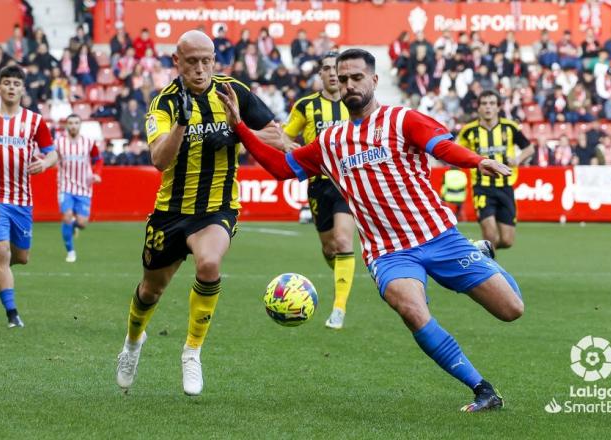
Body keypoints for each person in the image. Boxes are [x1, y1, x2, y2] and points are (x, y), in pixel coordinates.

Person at [217, 49, 524, 412]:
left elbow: (441, 146)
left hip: (439, 235)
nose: (349, 85)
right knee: (410, 309)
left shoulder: (401, 120)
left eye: (356, 78)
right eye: (343, 79)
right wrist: (239, 126)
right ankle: (482, 389)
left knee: (511, 309)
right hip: (389, 251)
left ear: (374, 80)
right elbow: (281, 167)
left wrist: (477, 161)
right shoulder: (330, 142)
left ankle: (481, 254)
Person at [115, 30, 282, 396]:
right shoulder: (163, 104)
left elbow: (276, 135)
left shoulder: (233, 92)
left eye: (207, 60)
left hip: (217, 209)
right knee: (150, 290)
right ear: (177, 62)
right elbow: (159, 160)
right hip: (171, 213)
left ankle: (192, 351)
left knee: (209, 265)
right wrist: (182, 125)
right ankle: (132, 343)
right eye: (192, 61)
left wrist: (238, 132)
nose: (201, 68)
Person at [282, 52, 355, 329]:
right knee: (329, 247)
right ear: (321, 74)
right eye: (327, 69)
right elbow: (286, 136)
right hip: (317, 184)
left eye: (337, 69)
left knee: (344, 241)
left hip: (347, 183)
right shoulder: (306, 106)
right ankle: (343, 278)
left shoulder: (355, 102)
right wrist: (292, 149)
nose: (333, 73)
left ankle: (339, 308)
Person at [0, 65, 58, 327]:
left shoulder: (34, 121)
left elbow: (52, 152)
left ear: (22, 89)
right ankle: (13, 315)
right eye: (6, 83)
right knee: (2, 252)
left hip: (22, 200)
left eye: (15, 83)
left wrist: (44, 164)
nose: (11, 87)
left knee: (21, 257)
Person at [457, 90, 534, 251]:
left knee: (507, 240)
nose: (488, 107)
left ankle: (476, 251)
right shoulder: (469, 130)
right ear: (478, 108)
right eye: (484, 104)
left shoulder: (510, 127)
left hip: (506, 187)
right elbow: (456, 149)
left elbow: (530, 148)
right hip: (482, 187)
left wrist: (518, 160)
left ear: (498, 107)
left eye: (492, 103)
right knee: (490, 236)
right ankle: (488, 272)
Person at [56, 114, 102, 262]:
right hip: (65, 186)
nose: (73, 125)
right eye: (70, 123)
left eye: (76, 123)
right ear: (67, 125)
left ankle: (75, 226)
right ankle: (70, 251)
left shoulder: (88, 142)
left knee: (82, 223)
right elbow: (50, 156)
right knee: (67, 216)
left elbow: (98, 159)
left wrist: (96, 174)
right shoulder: (59, 143)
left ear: (80, 125)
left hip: (84, 187)